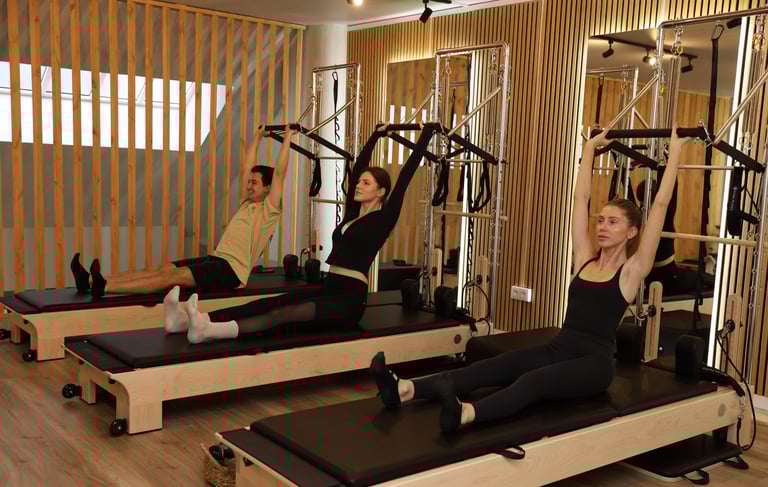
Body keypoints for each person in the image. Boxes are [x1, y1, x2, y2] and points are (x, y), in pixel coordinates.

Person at [370, 126, 690, 434]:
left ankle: (467, 414)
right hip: (559, 347)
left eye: (613, 222)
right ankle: (405, 389)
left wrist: (674, 153)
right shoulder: (585, 259)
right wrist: (589, 149)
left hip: (593, 363)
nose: (603, 226)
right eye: (601, 220)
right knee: (493, 367)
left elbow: (660, 205)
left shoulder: (632, 271)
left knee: (532, 382)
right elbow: (580, 200)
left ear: (632, 231)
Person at [169, 124, 437, 343]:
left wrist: (426, 135)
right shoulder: (352, 216)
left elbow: (405, 177)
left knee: (286, 313)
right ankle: (197, 320)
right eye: (359, 181)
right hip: (329, 284)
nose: (358, 185)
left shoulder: (383, 220)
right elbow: (356, 168)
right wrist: (376, 134)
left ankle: (211, 332)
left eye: (366, 183)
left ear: (381, 192)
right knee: (272, 302)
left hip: (349, 299)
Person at [70, 125, 296, 300]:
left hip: (232, 272)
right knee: (162, 268)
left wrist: (287, 139)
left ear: (267, 188)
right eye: (248, 182)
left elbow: (279, 175)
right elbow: (247, 167)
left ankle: (105, 286)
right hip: (217, 258)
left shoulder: (269, 211)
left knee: (172, 278)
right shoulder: (245, 203)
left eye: (254, 183)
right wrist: (257, 137)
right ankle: (89, 280)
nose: (248, 185)